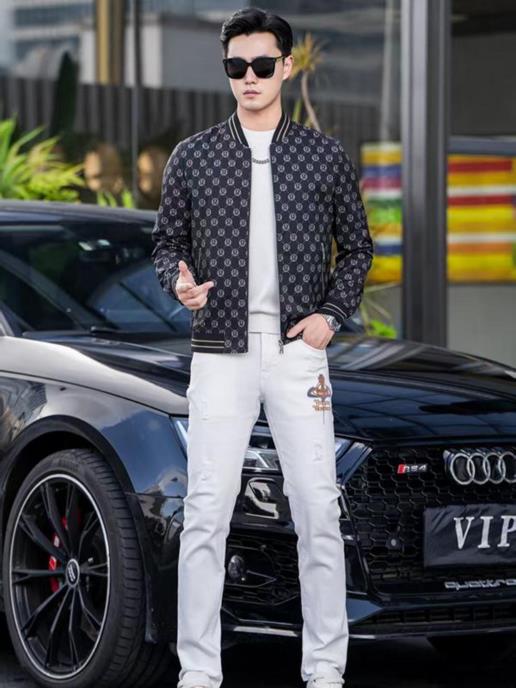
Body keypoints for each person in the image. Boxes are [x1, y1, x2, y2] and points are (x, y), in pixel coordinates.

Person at [151, 7, 374, 688]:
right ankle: (199, 671)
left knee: (318, 510)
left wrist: (330, 316)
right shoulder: (193, 157)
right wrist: (178, 283)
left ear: (286, 67)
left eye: (261, 64)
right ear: (226, 69)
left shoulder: (322, 156)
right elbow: (166, 244)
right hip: (219, 351)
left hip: (297, 352)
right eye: (236, 65)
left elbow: (357, 248)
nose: (249, 76)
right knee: (206, 512)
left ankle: (326, 669)